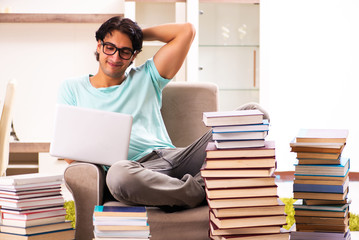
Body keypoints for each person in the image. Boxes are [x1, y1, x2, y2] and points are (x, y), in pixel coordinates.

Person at [58, 16, 269, 209]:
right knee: (118, 177)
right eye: (110, 47)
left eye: (125, 51)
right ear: (99, 45)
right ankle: (201, 189)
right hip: (135, 170)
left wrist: (136, 34)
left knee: (255, 113)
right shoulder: (73, 88)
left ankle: (197, 184)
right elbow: (68, 153)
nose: (115, 57)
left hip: (176, 157)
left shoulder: (147, 76)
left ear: (134, 56)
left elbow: (186, 31)